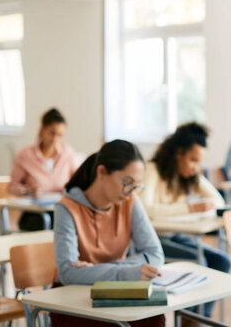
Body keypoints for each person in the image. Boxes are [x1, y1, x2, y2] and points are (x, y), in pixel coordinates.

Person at [52, 139, 165, 327]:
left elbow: (155, 254)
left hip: (117, 290)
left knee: (154, 317)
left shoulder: (129, 201)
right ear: (102, 172)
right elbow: (68, 273)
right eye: (127, 183)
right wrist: (127, 272)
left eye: (137, 185)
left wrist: (98, 269)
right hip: (75, 299)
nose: (131, 192)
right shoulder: (66, 208)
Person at [141, 122, 231, 319]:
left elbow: (218, 200)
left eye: (199, 161)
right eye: (192, 160)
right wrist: (188, 207)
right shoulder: (153, 170)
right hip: (155, 241)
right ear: (178, 153)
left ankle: (198, 319)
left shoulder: (190, 176)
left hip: (177, 236)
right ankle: (188, 319)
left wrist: (172, 209)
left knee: (222, 262)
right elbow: (146, 210)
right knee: (202, 261)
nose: (195, 167)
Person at [9, 108, 80, 231]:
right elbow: (12, 187)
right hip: (34, 214)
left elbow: (79, 181)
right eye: (52, 133)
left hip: (61, 208)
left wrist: (71, 189)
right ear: (42, 129)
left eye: (60, 135)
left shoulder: (67, 153)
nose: (55, 139)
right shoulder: (25, 155)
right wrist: (28, 191)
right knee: (55, 223)